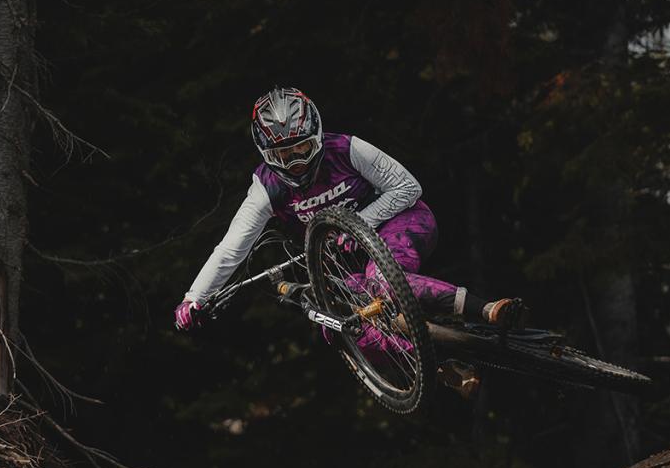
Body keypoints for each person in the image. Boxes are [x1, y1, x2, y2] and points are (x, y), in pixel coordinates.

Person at [173, 87, 521, 348]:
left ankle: (487, 309)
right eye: (284, 154)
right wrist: (195, 297)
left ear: (317, 137)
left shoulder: (346, 149)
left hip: (404, 224)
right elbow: (231, 249)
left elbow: (408, 187)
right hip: (349, 263)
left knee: (380, 282)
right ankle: (431, 363)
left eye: (303, 149)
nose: (296, 161)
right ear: (266, 153)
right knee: (337, 326)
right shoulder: (266, 188)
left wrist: (364, 221)